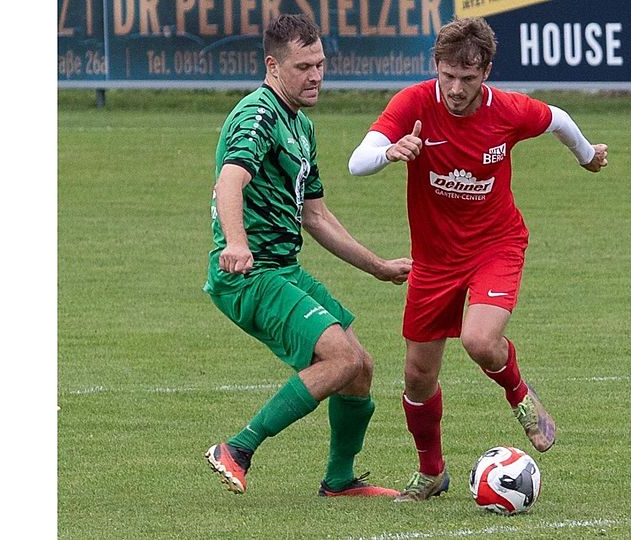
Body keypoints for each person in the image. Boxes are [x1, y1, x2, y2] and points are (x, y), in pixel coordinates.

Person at [348, 17, 609, 502]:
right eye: (447, 76)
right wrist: (391, 151)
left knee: (479, 340)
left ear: (486, 71)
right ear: (436, 67)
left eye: (467, 79)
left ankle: (521, 398)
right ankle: (431, 473)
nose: (455, 89)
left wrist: (586, 155)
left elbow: (557, 118)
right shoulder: (414, 104)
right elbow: (356, 162)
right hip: (433, 261)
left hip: (496, 244)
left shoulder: (507, 110)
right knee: (417, 377)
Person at [203, 14, 411, 498]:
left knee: (359, 366)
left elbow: (315, 217)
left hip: (284, 271)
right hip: (249, 275)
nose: (316, 75)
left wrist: (377, 266)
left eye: (320, 63)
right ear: (273, 66)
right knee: (338, 358)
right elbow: (230, 179)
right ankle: (237, 448)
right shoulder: (259, 115)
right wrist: (236, 242)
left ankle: (339, 481)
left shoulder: (300, 125)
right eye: (304, 66)